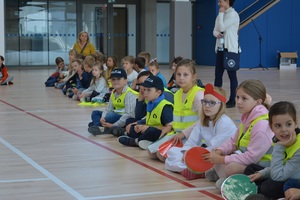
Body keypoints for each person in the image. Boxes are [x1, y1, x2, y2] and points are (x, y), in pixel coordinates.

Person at [203, 79, 274, 190]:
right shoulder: (247, 117)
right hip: (250, 163)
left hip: (263, 168)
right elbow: (233, 141)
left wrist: (222, 159)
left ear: (258, 102)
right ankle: (225, 176)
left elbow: (251, 158)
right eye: (237, 97)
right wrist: (220, 151)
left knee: (231, 167)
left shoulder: (261, 126)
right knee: (218, 156)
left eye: (244, 98)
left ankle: (231, 181)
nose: (239, 102)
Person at [165, 84, 236, 180]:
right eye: (205, 102)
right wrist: (187, 152)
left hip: (217, 155)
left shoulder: (225, 123)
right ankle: (195, 169)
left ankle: (199, 171)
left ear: (221, 105)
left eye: (212, 103)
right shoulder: (203, 120)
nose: (207, 106)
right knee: (172, 152)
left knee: (213, 162)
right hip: (204, 153)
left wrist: (192, 156)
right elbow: (192, 142)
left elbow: (214, 148)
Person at [146, 59, 205, 160]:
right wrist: (170, 126)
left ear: (193, 77)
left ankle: (192, 156)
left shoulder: (198, 95)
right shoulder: (177, 94)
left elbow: (203, 121)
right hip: (177, 134)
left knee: (162, 156)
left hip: (193, 137)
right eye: (178, 74)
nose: (181, 78)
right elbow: (179, 118)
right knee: (151, 153)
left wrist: (184, 133)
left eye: (185, 75)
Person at [245, 101, 300, 200]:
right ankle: (256, 190)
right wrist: (262, 173)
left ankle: (261, 194)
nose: (284, 130)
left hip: (294, 182)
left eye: (288, 124)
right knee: (251, 169)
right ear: (271, 127)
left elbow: (277, 176)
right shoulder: (283, 139)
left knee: (270, 185)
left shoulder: (296, 147)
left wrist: (279, 147)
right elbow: (282, 166)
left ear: (295, 123)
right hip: (286, 175)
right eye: (278, 126)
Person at [118, 75, 173, 148]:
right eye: (145, 90)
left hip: (160, 133)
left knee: (151, 131)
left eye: (149, 90)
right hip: (149, 128)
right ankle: (141, 139)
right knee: (133, 127)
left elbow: (170, 127)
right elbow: (148, 119)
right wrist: (140, 126)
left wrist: (147, 128)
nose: (145, 93)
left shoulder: (165, 106)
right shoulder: (151, 103)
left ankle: (135, 141)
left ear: (158, 92)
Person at [87, 68, 138, 136]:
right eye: (113, 79)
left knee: (109, 116)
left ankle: (104, 127)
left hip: (124, 118)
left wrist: (114, 125)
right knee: (95, 113)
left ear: (125, 81)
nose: (115, 81)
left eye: (118, 79)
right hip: (115, 115)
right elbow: (108, 109)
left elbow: (129, 114)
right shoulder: (114, 92)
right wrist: (103, 117)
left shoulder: (129, 94)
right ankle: (101, 127)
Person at [213, 0, 240, 108]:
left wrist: (220, 14)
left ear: (227, 1)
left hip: (230, 49)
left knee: (232, 76)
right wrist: (216, 34)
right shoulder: (221, 15)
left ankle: (232, 99)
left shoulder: (233, 15)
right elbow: (215, 30)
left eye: (220, 1)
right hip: (220, 48)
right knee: (218, 75)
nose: (219, 3)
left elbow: (223, 27)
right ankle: (216, 98)